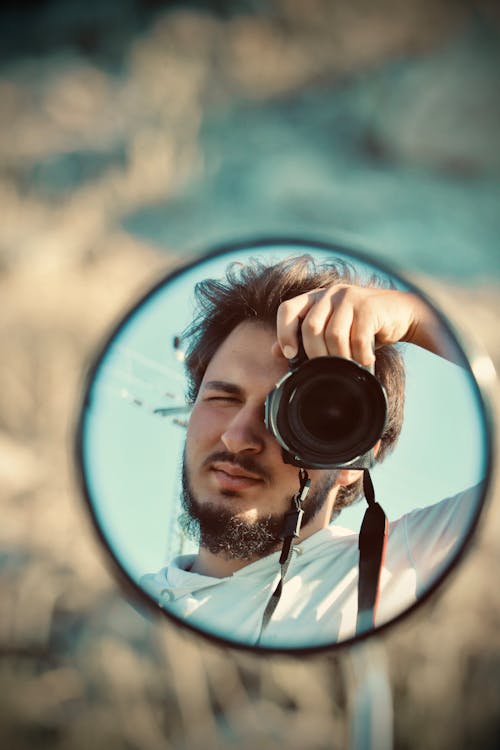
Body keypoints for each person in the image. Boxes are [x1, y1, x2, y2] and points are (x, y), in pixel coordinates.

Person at [142, 255, 477, 648]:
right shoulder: (120, 607)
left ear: (354, 457)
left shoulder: (407, 562)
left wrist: (417, 317)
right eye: (223, 398)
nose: (237, 437)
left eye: (290, 413)